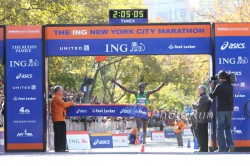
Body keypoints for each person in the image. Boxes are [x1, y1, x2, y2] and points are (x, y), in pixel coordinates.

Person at [112, 80, 168, 144]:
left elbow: (157, 89)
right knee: (138, 124)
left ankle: (144, 140)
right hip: (138, 111)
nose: (141, 89)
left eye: (142, 87)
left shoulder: (147, 94)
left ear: (144, 88)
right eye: (140, 87)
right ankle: (138, 135)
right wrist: (116, 83)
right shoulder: (136, 93)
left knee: (144, 126)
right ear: (138, 88)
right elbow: (126, 89)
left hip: (145, 112)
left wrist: (163, 84)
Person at [209, 71, 234, 152]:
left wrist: (212, 87)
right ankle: (231, 145)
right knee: (228, 128)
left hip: (221, 110)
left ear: (221, 78)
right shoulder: (230, 86)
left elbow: (212, 96)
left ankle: (222, 148)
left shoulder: (219, 86)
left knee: (220, 129)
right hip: (229, 110)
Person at [50, 85, 75, 152]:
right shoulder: (56, 98)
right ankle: (59, 148)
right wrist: (71, 103)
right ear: (57, 91)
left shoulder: (58, 97)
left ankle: (61, 148)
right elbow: (63, 104)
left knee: (61, 134)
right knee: (59, 134)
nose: (63, 92)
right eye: (61, 90)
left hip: (60, 118)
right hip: (58, 119)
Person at [192, 85, 211, 152]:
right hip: (203, 118)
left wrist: (193, 104)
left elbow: (199, 107)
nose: (198, 91)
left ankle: (202, 148)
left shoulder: (203, 97)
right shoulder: (205, 97)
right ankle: (204, 148)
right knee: (204, 134)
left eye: (198, 90)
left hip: (201, 119)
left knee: (201, 134)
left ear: (202, 90)